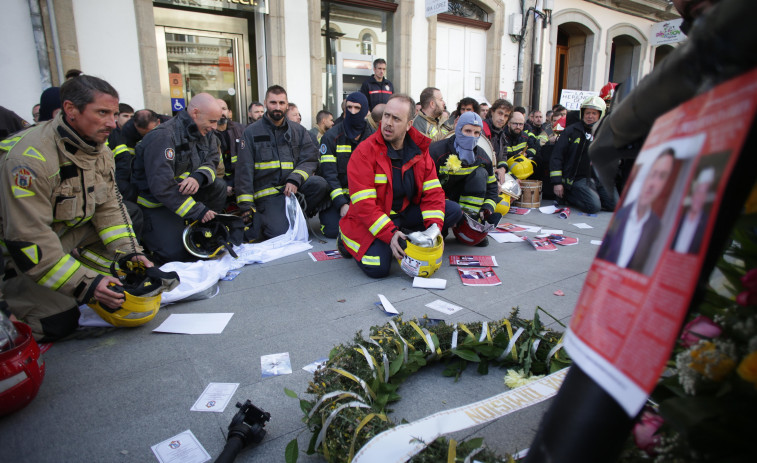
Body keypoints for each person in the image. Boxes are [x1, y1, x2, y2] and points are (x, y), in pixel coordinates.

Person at [0, 75, 150, 341]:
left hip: (63, 237)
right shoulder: (30, 159)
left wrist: (132, 254)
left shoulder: (99, 149)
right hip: (20, 254)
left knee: (130, 279)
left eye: (114, 114)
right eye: (102, 112)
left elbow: (109, 210)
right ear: (70, 110)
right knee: (55, 323)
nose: (112, 123)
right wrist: (86, 285)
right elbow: (29, 240)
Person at [338, 94, 462, 278]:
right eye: (386, 116)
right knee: (378, 267)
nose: (388, 122)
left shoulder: (419, 151)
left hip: (402, 213)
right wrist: (389, 234)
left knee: (453, 210)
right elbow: (364, 206)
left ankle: (403, 233)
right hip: (371, 218)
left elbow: (433, 193)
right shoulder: (364, 152)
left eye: (396, 119)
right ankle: (345, 240)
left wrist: (434, 228)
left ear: (409, 124)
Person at [132, 93, 227, 263]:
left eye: (217, 122)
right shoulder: (163, 136)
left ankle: (202, 226)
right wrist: (198, 210)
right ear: (195, 113)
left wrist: (198, 177)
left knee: (218, 186)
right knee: (176, 256)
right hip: (157, 204)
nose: (215, 127)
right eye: (212, 121)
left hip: (186, 198)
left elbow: (212, 160)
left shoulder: (207, 134)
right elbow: (162, 187)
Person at [236, 85, 328, 240]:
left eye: (281, 103)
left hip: (293, 190)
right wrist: (246, 206)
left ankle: (298, 217)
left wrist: (295, 179)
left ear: (287, 104)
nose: (277, 107)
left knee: (320, 184)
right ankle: (279, 221)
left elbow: (310, 158)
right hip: (268, 196)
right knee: (279, 235)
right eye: (273, 103)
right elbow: (244, 170)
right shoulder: (251, 132)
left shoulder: (298, 131)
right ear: (265, 103)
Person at [596, 149, 675, 273]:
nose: (652, 184)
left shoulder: (659, 228)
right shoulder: (621, 217)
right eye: (652, 173)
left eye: (662, 177)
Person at [429, 111, 500, 246]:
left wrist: (488, 207)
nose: (472, 137)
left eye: (476, 133)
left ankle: (468, 224)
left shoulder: (483, 157)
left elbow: (492, 187)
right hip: (440, 203)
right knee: (437, 239)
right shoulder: (436, 152)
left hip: (465, 201)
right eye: (467, 131)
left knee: (480, 174)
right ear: (458, 128)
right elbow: (425, 188)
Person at [318, 92, 373, 238]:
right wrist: (342, 203)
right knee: (332, 231)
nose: (353, 112)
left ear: (366, 111)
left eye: (357, 108)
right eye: (349, 107)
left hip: (363, 198)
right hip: (336, 197)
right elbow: (329, 175)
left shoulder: (373, 138)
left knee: (366, 228)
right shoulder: (330, 137)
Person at [550, 96, 617, 213]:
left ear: (600, 115)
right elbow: (557, 157)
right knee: (594, 207)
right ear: (582, 114)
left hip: (599, 179)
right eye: (587, 113)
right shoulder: (571, 131)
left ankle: (594, 195)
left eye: (594, 113)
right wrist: (557, 183)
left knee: (615, 206)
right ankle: (569, 196)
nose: (590, 116)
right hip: (579, 179)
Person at [672, 166, 715, 254]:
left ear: (706, 197)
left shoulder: (708, 224)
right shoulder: (677, 219)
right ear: (692, 193)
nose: (699, 197)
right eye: (698, 191)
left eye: (704, 192)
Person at [214, 99, 247, 200]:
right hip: (216, 184)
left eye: (223, 109)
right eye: (217, 109)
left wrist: (233, 183)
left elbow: (246, 160)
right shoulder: (207, 132)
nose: (221, 112)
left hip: (238, 181)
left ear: (229, 112)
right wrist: (223, 185)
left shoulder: (241, 130)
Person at [497, 111, 542, 182]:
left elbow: (534, 149)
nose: (518, 127)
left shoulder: (525, 136)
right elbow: (500, 161)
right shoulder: (500, 137)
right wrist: (513, 177)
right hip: (506, 176)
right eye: (515, 124)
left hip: (522, 174)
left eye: (521, 124)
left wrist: (526, 153)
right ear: (509, 124)